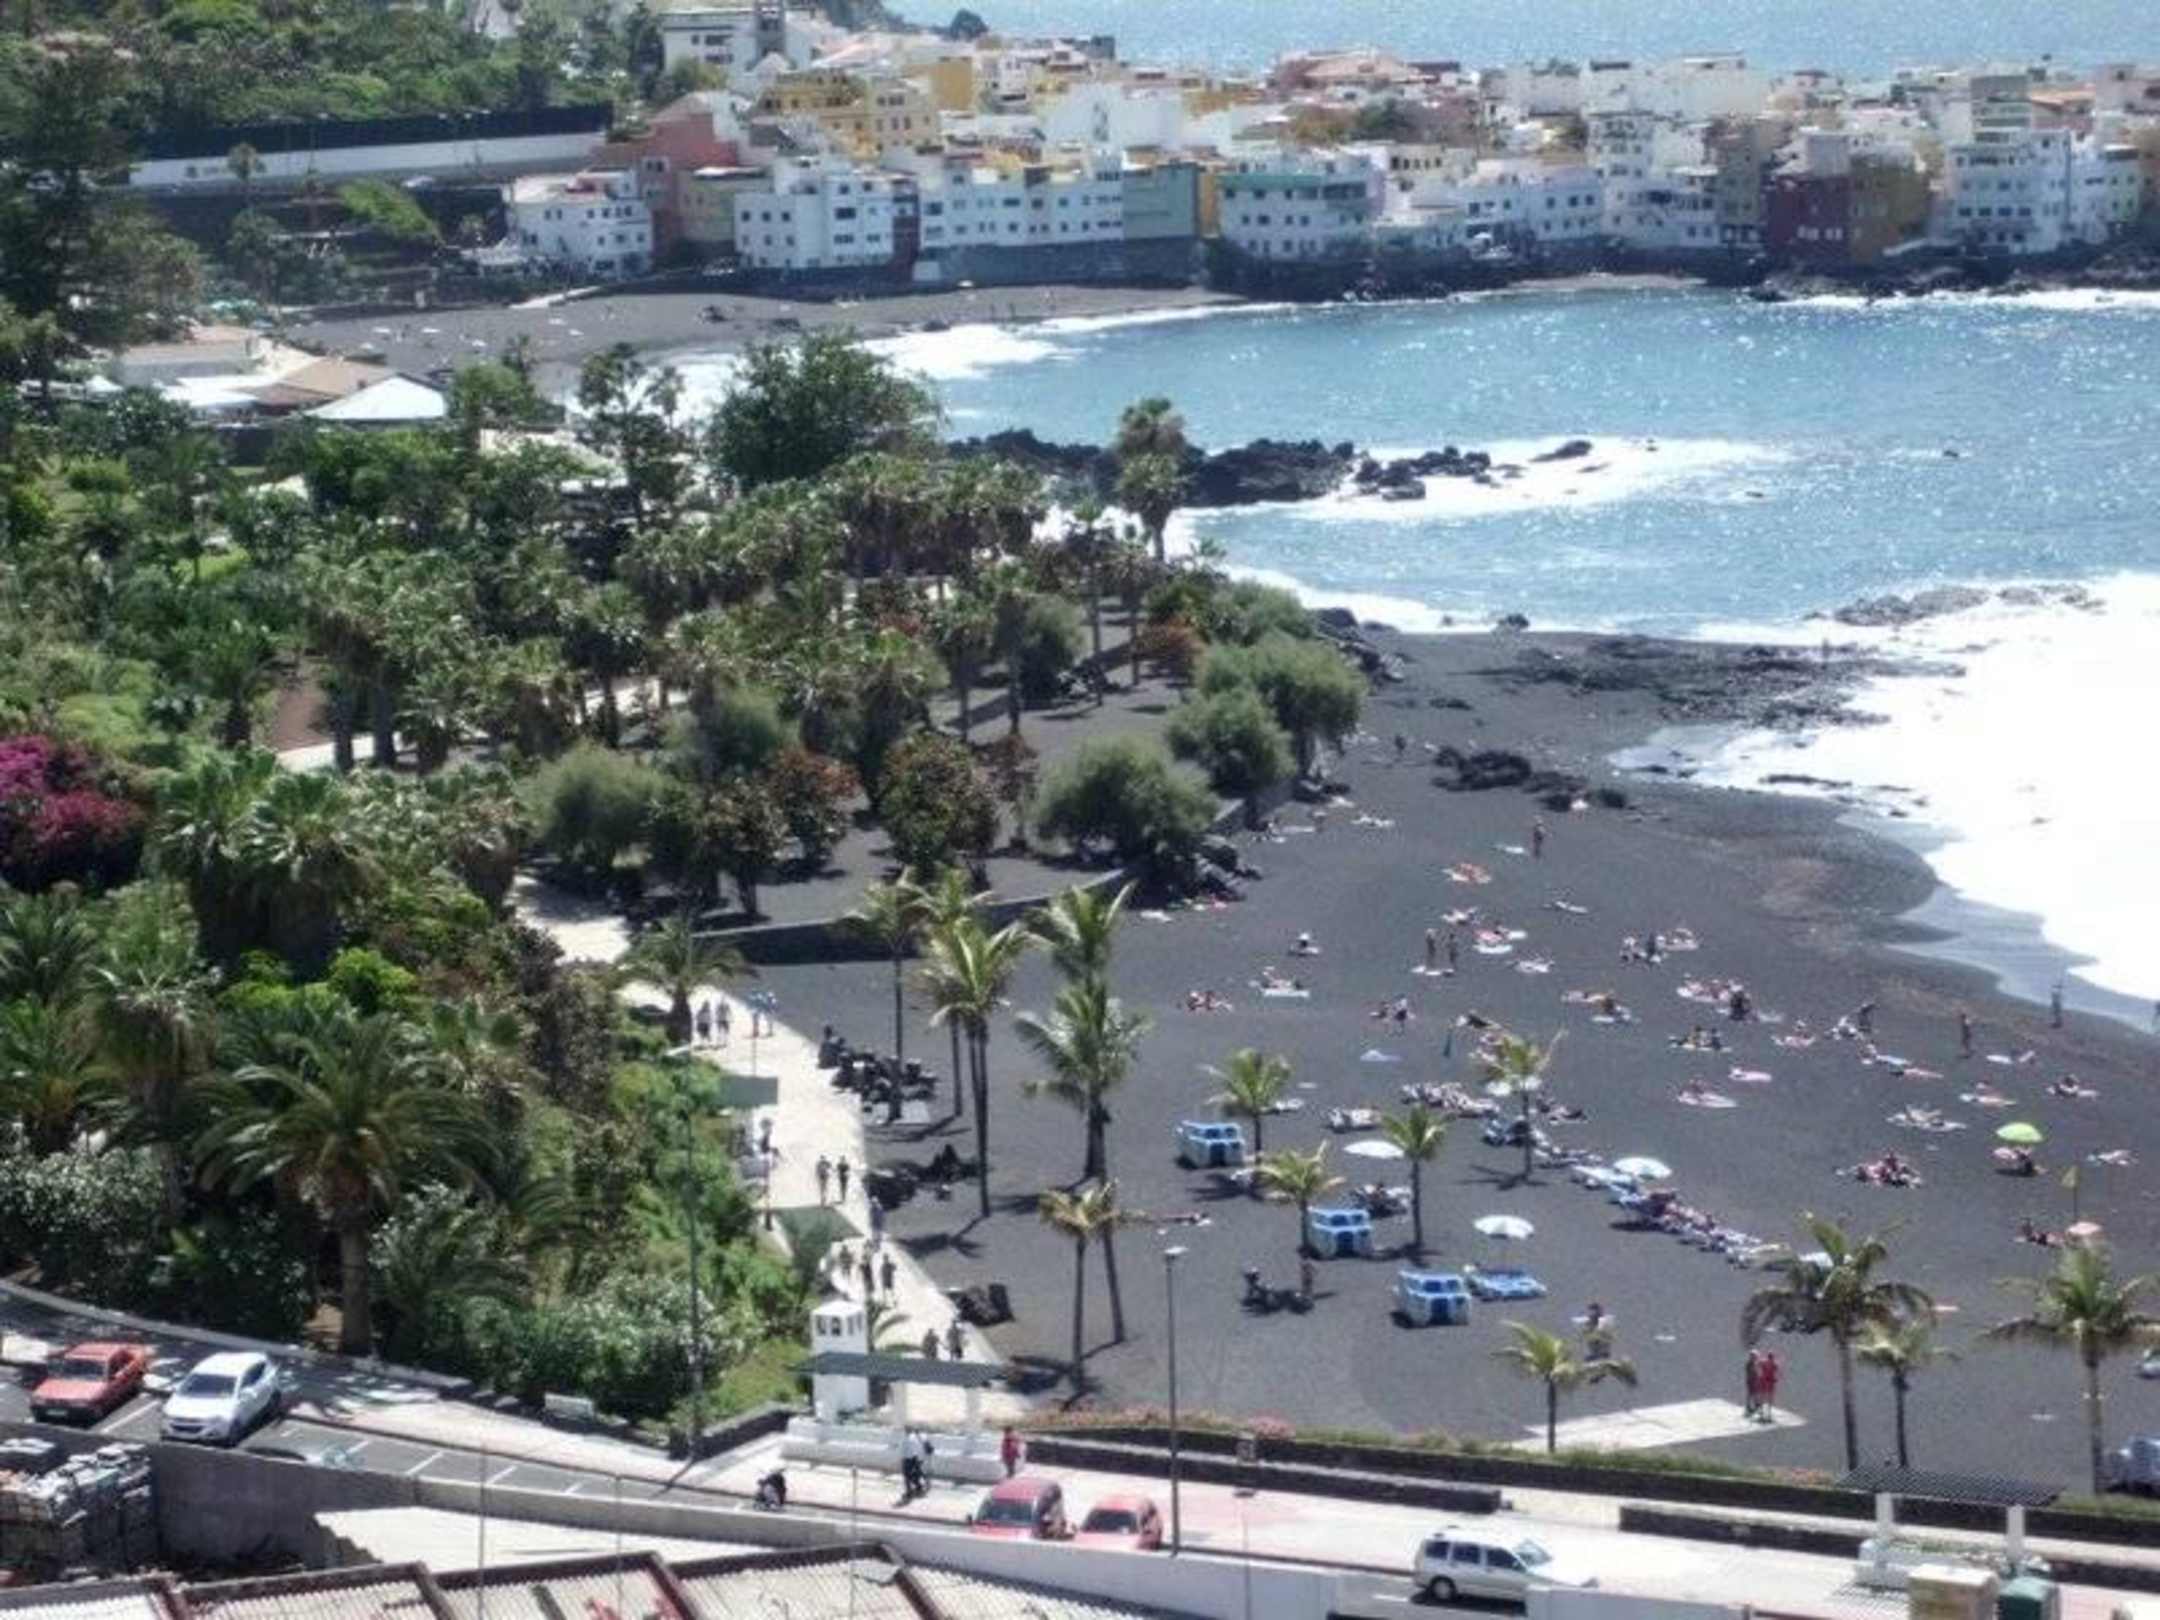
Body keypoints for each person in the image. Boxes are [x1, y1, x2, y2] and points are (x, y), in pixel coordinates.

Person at [1759, 1351, 1781, 1420]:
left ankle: (1766, 1413)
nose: (1770, 1359)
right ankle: (1765, 1413)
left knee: (1767, 1397)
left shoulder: (1770, 1364)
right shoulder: (1772, 1364)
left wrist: (1776, 1378)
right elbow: (1777, 1373)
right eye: (1770, 1358)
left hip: (1768, 1382)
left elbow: (1777, 1373)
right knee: (1766, 1397)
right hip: (1767, 1382)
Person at [1743, 1349, 1763, 1418]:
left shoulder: (1752, 1363)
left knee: (1754, 1393)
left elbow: (1755, 1371)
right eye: (1755, 1357)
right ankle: (1750, 1406)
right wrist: (1756, 1377)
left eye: (1756, 1357)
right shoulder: (1749, 1364)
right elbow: (1752, 1372)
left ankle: (1754, 1405)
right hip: (1751, 1381)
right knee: (1751, 1393)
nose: (1755, 1358)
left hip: (1752, 1381)